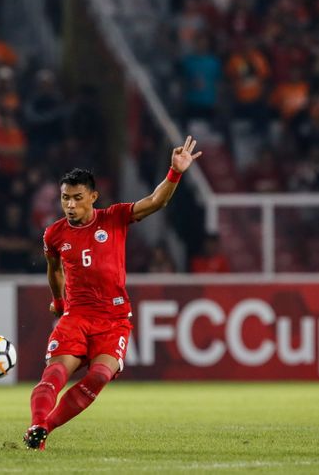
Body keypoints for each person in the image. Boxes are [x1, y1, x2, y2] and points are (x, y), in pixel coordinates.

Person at [23, 136, 202, 450]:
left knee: (100, 376)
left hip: (114, 320)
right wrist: (58, 301)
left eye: (77, 198)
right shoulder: (54, 234)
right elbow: (55, 270)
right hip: (76, 317)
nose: (70, 205)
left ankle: (45, 428)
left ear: (94, 196)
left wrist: (175, 172)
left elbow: (156, 201)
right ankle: (37, 426)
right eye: (65, 198)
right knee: (54, 373)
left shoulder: (115, 217)